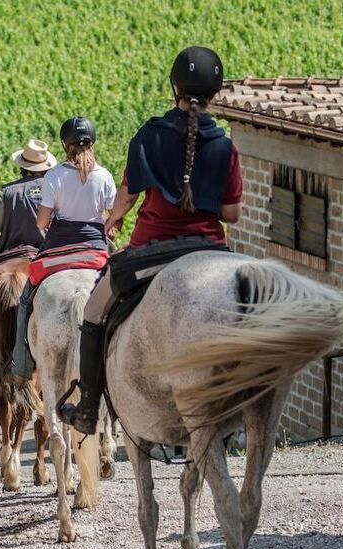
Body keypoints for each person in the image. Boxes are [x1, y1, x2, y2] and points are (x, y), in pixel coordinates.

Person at [58, 46, 244, 435]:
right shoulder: (226, 146)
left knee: (93, 313)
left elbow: (126, 194)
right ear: (216, 91)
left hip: (150, 252)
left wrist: (112, 221)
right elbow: (231, 214)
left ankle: (89, 407)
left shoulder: (150, 135)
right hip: (211, 250)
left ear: (174, 85)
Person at [6, 116, 118, 385]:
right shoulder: (104, 176)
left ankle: (21, 365)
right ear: (93, 143)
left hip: (58, 248)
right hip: (96, 249)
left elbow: (42, 222)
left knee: (25, 299)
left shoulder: (54, 176)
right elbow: (115, 220)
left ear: (64, 145)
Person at [0, 138, 57, 276]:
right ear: (46, 167)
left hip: (8, 255)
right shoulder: (56, 191)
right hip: (45, 257)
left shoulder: (7, 191)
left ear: (23, 166)